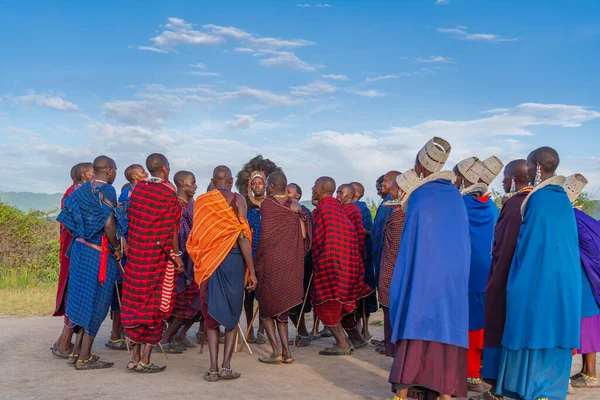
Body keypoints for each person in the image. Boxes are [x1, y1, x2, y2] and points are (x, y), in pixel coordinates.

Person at [388, 136, 470, 400]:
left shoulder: (420, 197)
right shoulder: (456, 197)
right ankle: (444, 394)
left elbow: (412, 247)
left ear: (421, 169)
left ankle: (401, 395)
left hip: (423, 280)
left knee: (415, 326)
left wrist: (401, 284)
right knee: (446, 328)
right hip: (451, 282)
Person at [496, 147, 581, 400]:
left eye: (530, 167)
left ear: (537, 169)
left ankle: (530, 389)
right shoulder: (562, 198)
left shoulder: (538, 200)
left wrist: (515, 285)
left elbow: (527, 248)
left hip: (539, 281)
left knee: (533, 328)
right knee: (555, 331)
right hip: (565, 284)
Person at [187, 165, 258, 382]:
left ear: (212, 180)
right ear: (231, 180)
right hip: (234, 262)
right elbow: (243, 236)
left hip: (208, 263)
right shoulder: (239, 200)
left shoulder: (202, 201)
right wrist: (252, 271)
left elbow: (198, 236)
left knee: (211, 317)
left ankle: (213, 369)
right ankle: (227, 366)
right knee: (232, 312)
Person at [56, 156, 122, 370]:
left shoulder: (81, 191)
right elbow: (109, 224)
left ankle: (76, 354)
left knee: (82, 301)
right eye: (115, 170)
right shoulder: (107, 191)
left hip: (79, 252)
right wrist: (117, 248)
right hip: (99, 254)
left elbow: (67, 218)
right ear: (110, 170)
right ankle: (85, 357)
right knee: (98, 303)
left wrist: (82, 235)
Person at [121, 153, 183, 373]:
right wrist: (177, 256)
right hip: (158, 258)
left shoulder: (137, 190)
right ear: (165, 169)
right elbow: (172, 229)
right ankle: (146, 359)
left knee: (137, 304)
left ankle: (134, 356)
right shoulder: (168, 191)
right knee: (158, 305)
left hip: (137, 258)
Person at [481, 159, 532, 399]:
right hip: (522, 280)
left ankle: (495, 390)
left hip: (505, 278)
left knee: (498, 328)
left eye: (505, 177)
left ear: (513, 178)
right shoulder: (531, 202)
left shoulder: (515, 206)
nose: (502, 181)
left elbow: (506, 248)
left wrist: (495, 282)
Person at [311, 176, 373, 356]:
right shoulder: (336, 208)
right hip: (348, 264)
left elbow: (321, 239)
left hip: (332, 264)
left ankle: (342, 344)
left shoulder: (328, 209)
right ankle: (357, 339)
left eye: (315, 187)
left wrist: (318, 262)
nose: (313, 189)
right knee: (341, 304)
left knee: (326, 304)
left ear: (321, 190)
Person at [255, 172, 312, 364]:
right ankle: (287, 352)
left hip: (271, 261)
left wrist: (256, 260)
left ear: (270, 185)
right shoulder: (296, 205)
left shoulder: (267, 205)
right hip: (290, 262)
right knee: (282, 310)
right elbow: (304, 236)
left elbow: (264, 237)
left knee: (265, 310)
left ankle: (276, 352)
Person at [455, 157, 500, 393]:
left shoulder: (459, 205)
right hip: (488, 274)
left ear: (464, 179)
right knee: (483, 324)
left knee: (468, 326)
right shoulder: (492, 207)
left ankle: (470, 375)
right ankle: (479, 371)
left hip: (465, 275)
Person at [236, 156, 281, 344]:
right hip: (248, 256)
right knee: (248, 295)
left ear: (266, 185)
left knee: (264, 296)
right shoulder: (244, 207)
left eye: (260, 183)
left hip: (268, 256)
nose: (257, 186)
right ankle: (249, 329)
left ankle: (263, 329)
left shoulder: (273, 207)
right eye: (253, 183)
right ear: (249, 186)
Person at [51, 162, 94, 359]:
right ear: (84, 175)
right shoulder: (77, 194)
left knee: (73, 296)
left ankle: (63, 341)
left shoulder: (72, 193)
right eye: (93, 172)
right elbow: (70, 224)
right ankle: (65, 343)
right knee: (75, 296)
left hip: (73, 252)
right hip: (76, 254)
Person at [106, 163, 148, 351]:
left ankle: (129, 333)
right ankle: (116, 335)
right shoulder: (127, 195)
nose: (145, 173)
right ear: (134, 177)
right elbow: (121, 219)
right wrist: (123, 242)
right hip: (128, 249)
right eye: (142, 172)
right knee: (123, 291)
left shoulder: (144, 191)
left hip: (140, 247)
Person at [376, 169, 419, 357]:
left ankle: (395, 347)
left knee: (393, 307)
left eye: (390, 184)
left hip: (394, 267)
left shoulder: (402, 212)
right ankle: (390, 344)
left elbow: (394, 246)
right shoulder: (398, 209)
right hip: (393, 266)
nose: (388, 188)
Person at [564, 173, 600, 390]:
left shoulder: (570, 218)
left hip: (580, 277)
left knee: (578, 327)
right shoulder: (582, 216)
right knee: (589, 326)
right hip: (589, 276)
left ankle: (576, 377)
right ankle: (590, 374)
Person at [159, 171, 199, 352]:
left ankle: (176, 336)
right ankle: (166, 339)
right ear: (182, 183)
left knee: (193, 302)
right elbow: (174, 233)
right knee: (183, 303)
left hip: (192, 261)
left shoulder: (191, 205)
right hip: (179, 261)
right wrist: (177, 257)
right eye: (193, 182)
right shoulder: (175, 205)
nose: (195, 186)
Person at [337, 183, 370, 347]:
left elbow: (357, 238)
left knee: (346, 302)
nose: (338, 196)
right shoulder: (341, 210)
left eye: (341, 193)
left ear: (351, 195)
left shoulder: (353, 210)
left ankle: (357, 338)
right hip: (341, 261)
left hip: (350, 261)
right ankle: (353, 337)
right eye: (337, 192)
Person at [286, 183, 315, 347]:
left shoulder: (303, 211)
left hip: (302, 260)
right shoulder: (282, 210)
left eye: (289, 192)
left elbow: (306, 237)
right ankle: (302, 332)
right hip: (288, 260)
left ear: (297, 196)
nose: (286, 195)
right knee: (290, 300)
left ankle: (304, 333)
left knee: (299, 299)